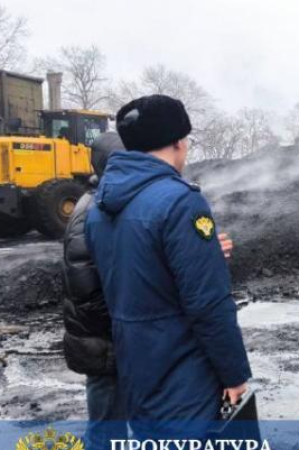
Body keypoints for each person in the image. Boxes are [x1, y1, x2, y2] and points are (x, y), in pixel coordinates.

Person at [85, 94, 251, 438]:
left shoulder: (100, 208)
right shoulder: (180, 202)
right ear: (177, 142)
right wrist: (234, 373)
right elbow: (207, 303)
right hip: (181, 369)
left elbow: (134, 272)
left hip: (135, 366)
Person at [62, 131, 128, 450]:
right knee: (105, 430)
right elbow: (87, 290)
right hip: (102, 342)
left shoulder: (100, 203)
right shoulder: (92, 213)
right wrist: (123, 326)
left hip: (103, 339)